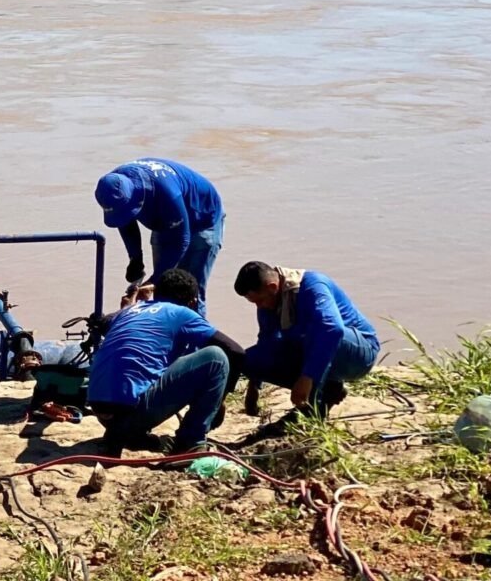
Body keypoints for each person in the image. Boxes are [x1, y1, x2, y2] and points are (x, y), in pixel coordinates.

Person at [87, 269, 245, 456]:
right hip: (132, 413)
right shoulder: (183, 313)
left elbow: (105, 323)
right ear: (193, 302)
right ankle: (189, 442)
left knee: (156, 359)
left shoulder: (128, 312)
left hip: (102, 413)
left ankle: (129, 434)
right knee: (216, 358)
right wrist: (219, 401)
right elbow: (236, 351)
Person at [232, 261, 380, 418]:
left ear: (273, 287)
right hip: (315, 350)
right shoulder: (268, 304)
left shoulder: (313, 285)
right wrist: (254, 385)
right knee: (248, 358)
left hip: (357, 354)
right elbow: (267, 342)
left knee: (318, 331)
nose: (259, 306)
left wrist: (307, 377)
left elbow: (332, 330)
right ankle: (329, 389)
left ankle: (312, 408)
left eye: (260, 300)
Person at [94, 158, 225, 314]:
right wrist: (135, 259)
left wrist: (154, 280)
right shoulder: (114, 184)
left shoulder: (167, 192)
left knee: (189, 292)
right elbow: (124, 219)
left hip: (202, 219)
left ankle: (194, 336)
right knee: (163, 292)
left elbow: (182, 240)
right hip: (164, 220)